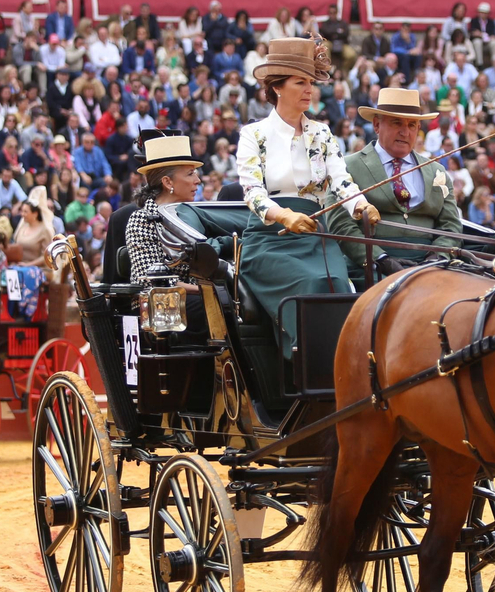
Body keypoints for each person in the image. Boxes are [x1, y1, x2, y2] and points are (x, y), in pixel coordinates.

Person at [235, 36, 379, 356]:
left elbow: (341, 181)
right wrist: (283, 215)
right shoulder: (254, 135)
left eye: (311, 82)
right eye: (300, 82)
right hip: (269, 239)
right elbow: (253, 192)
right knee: (313, 286)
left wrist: (361, 205)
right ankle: (307, 365)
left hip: (317, 238)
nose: (308, 90)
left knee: (339, 287)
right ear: (276, 88)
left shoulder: (322, 133)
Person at [332, 87, 464, 279]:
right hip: (369, 270)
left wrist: (436, 258)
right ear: (376, 125)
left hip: (431, 269)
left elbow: (451, 225)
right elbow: (341, 225)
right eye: (397, 123)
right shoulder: (346, 167)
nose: (405, 132)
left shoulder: (436, 171)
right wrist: (381, 259)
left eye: (412, 125)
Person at [125, 134, 211, 339]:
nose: (198, 180)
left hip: (198, 297)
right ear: (167, 181)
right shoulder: (142, 220)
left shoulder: (198, 215)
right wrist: (206, 290)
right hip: (161, 307)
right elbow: (151, 281)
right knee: (216, 306)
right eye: (190, 174)